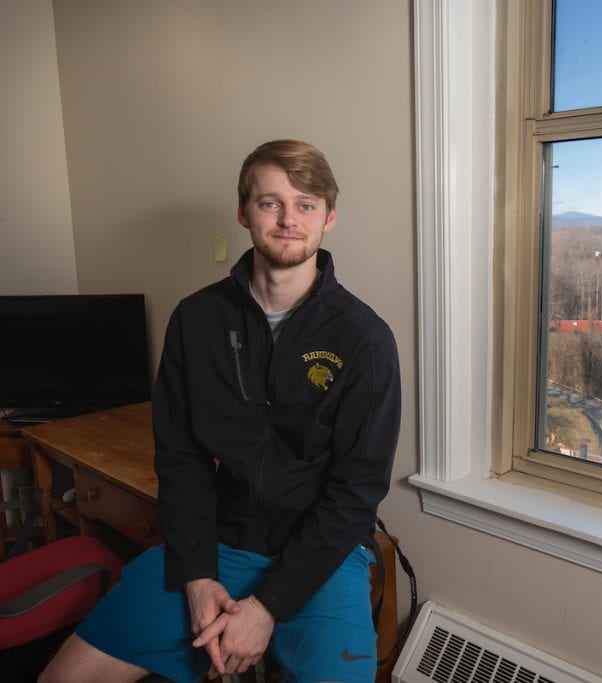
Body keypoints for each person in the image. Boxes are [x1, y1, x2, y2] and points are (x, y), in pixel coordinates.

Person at [39, 139, 401, 683]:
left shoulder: (365, 340)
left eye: (305, 204)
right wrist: (197, 576)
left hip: (322, 556)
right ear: (243, 212)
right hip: (218, 543)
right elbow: (180, 460)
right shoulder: (195, 320)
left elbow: (356, 492)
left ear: (329, 218)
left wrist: (264, 608)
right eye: (269, 202)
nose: (287, 219)